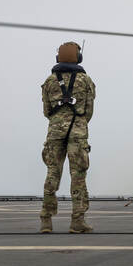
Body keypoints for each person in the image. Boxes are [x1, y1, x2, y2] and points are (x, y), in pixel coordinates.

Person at [40, 42, 96, 233]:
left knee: (52, 173)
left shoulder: (49, 81)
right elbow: (89, 111)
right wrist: (78, 121)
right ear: (78, 58)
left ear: (58, 58)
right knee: (78, 175)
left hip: (55, 132)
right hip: (78, 132)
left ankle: (46, 220)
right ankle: (77, 221)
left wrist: (58, 120)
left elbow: (47, 111)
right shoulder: (85, 80)